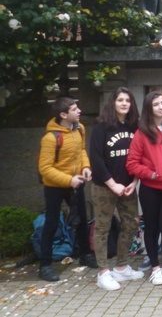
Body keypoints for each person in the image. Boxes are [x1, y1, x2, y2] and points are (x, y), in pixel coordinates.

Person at [126, 91, 162, 286]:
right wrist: (150, 174)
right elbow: (132, 163)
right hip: (151, 188)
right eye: (156, 104)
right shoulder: (141, 133)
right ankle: (155, 267)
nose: (161, 107)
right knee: (152, 228)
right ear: (149, 109)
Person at [89, 87, 144, 291]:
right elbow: (96, 158)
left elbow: (140, 155)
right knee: (102, 228)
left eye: (127, 100)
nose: (124, 103)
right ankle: (103, 272)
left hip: (128, 186)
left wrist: (134, 181)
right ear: (113, 102)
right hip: (104, 186)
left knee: (131, 224)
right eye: (120, 100)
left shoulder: (134, 126)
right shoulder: (101, 126)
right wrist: (112, 184)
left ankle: (121, 267)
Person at [37, 97, 96, 282]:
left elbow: (82, 151)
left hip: (76, 182)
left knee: (81, 218)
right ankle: (45, 266)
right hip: (55, 186)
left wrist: (86, 167)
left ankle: (85, 255)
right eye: (74, 109)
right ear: (63, 114)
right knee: (52, 223)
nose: (79, 111)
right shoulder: (50, 138)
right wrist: (69, 180)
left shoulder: (79, 128)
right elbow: (44, 169)